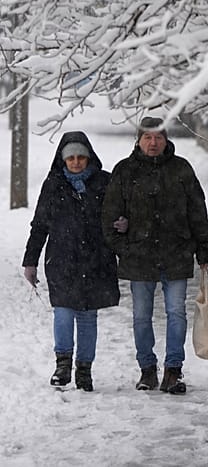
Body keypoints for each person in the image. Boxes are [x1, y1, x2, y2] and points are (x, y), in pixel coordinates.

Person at [102, 116, 208, 395]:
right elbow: (109, 214)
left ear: (166, 140)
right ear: (139, 140)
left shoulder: (181, 169)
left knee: (176, 312)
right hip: (138, 255)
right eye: (147, 137)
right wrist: (123, 246)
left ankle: (173, 370)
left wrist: (203, 246)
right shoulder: (125, 171)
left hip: (176, 252)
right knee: (142, 315)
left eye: (158, 137)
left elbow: (197, 210)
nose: (153, 143)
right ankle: (147, 369)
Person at [22, 131, 120, 392]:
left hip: (96, 260)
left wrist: (123, 226)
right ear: (63, 159)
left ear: (89, 157)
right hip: (62, 260)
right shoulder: (53, 185)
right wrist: (30, 261)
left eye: (81, 157)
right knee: (63, 312)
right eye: (71, 158)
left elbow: (118, 216)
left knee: (88, 316)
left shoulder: (104, 183)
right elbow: (39, 225)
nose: (76, 162)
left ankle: (84, 370)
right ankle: (62, 365)